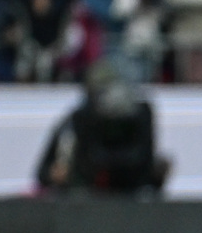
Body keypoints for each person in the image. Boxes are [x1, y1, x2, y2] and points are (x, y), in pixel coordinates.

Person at [35, 58, 170, 194]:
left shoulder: (137, 117)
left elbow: (142, 161)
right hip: (83, 190)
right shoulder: (74, 124)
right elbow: (42, 173)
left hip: (129, 189)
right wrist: (56, 174)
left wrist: (153, 175)